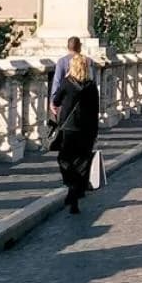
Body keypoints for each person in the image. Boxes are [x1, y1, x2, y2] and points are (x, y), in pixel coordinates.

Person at [49, 53, 100, 214]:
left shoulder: (66, 83)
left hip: (69, 128)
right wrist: (95, 132)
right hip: (87, 129)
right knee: (83, 162)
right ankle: (75, 192)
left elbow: (56, 101)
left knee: (64, 159)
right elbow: (95, 110)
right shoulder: (91, 86)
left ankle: (71, 185)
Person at [49, 36, 81, 114]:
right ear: (80, 46)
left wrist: (53, 100)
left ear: (68, 47)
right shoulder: (88, 61)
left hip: (66, 100)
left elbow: (57, 82)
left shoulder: (62, 61)